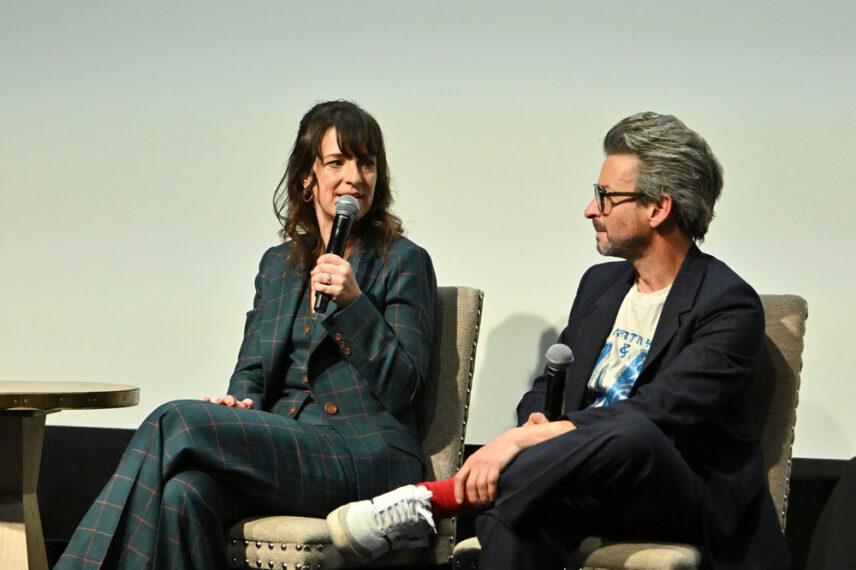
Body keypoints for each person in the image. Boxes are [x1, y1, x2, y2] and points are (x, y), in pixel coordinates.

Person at [325, 112, 790, 569]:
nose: (592, 209)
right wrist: (531, 423)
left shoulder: (728, 305)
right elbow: (546, 390)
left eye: (606, 196)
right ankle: (466, 502)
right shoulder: (600, 286)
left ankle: (435, 502)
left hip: (683, 498)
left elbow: (659, 413)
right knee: (512, 518)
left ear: (658, 208)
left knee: (632, 429)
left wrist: (513, 444)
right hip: (591, 484)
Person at [55, 100, 437, 569]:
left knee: (174, 420)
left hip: (364, 454)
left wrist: (355, 304)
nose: (355, 176)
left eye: (368, 163)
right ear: (307, 178)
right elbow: (252, 370)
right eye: (337, 162)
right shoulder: (277, 265)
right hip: (290, 446)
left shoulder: (403, 260)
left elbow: (404, 387)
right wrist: (242, 403)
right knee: (183, 495)